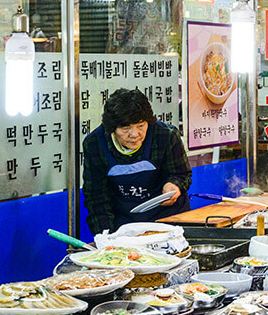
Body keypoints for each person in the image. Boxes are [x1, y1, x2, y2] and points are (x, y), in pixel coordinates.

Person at [82, 88, 192, 234]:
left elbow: (181, 174)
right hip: (126, 225)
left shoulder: (166, 135)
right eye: (126, 128)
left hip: (169, 220)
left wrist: (174, 185)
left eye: (141, 126)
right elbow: (97, 197)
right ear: (112, 129)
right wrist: (106, 236)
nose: (135, 135)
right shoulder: (95, 144)